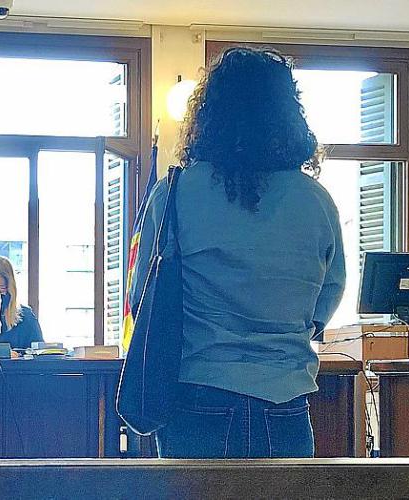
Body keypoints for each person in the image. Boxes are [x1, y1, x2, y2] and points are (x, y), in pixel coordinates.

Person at [129, 47, 346, 458]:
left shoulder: (175, 193)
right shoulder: (317, 201)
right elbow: (326, 300)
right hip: (287, 405)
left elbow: (142, 295)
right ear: (289, 115)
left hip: (196, 401)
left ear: (209, 114)